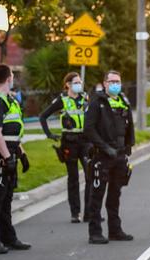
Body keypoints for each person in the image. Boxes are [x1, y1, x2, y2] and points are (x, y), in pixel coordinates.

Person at [0, 64, 31, 254]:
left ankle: (8, 238)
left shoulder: (9, 101)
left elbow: (13, 133)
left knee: (6, 199)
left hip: (10, 154)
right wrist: (8, 157)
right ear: (9, 78)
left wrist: (22, 154)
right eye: (13, 76)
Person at [83, 70, 135, 244]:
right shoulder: (97, 102)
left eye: (118, 81)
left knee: (115, 195)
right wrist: (104, 147)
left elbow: (130, 126)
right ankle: (95, 232)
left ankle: (115, 230)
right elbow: (88, 128)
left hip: (119, 155)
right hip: (102, 155)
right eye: (112, 81)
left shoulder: (123, 101)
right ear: (104, 83)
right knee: (97, 195)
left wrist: (129, 146)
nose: (115, 84)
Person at [39, 72, 92, 223]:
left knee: (91, 175)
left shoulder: (86, 98)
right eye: (76, 82)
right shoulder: (62, 100)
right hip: (69, 142)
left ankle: (89, 212)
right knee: (73, 178)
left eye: (80, 82)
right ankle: (75, 213)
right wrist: (49, 134)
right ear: (68, 84)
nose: (79, 84)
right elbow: (43, 116)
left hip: (86, 142)